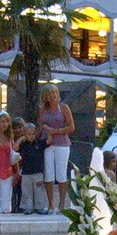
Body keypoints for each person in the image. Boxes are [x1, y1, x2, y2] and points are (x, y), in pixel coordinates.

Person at [39, 83, 74, 213]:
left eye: (54, 93)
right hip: (47, 144)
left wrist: (55, 131)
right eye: (49, 94)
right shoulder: (43, 110)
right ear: (45, 97)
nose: (52, 96)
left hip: (62, 144)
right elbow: (40, 125)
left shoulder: (64, 108)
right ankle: (50, 204)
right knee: (48, 174)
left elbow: (71, 127)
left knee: (61, 173)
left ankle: (62, 204)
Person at [14, 122, 46, 214]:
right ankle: (28, 207)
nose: (31, 136)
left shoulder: (39, 143)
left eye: (33, 134)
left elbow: (49, 140)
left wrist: (46, 129)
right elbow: (14, 148)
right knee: (27, 191)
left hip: (38, 172)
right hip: (26, 173)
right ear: (25, 135)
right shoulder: (23, 145)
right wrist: (21, 138)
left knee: (38, 190)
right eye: (28, 134)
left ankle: (39, 207)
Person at [11, 116, 26, 213]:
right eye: (15, 128)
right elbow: (14, 149)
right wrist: (20, 138)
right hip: (13, 169)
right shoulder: (10, 139)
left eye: (20, 127)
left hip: (24, 169)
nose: (18, 130)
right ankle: (12, 208)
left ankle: (21, 207)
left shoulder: (27, 138)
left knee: (22, 190)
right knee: (13, 190)